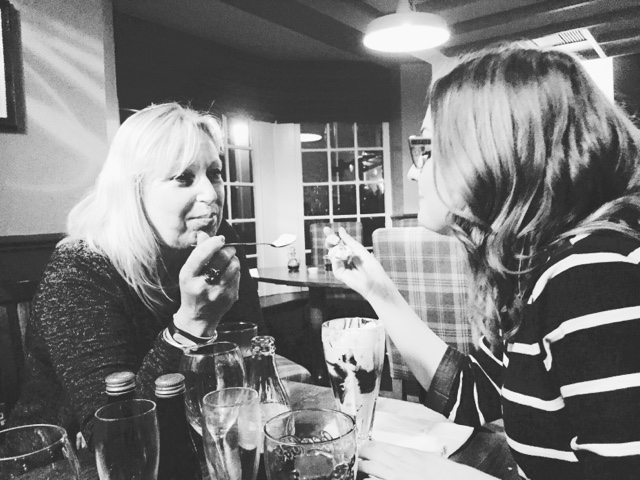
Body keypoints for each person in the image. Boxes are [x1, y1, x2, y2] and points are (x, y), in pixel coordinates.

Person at [326, 45, 640, 479]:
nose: (415, 171)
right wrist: (377, 289)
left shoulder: (592, 275)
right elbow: (471, 394)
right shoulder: (536, 272)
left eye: (429, 148)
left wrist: (444, 476)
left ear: (493, 152)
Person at [8, 103, 266, 447]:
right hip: (56, 460)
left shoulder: (222, 244)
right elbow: (116, 438)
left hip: (188, 446)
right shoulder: (78, 270)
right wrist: (191, 324)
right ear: (133, 190)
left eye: (215, 173)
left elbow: (248, 362)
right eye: (183, 177)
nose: (210, 194)